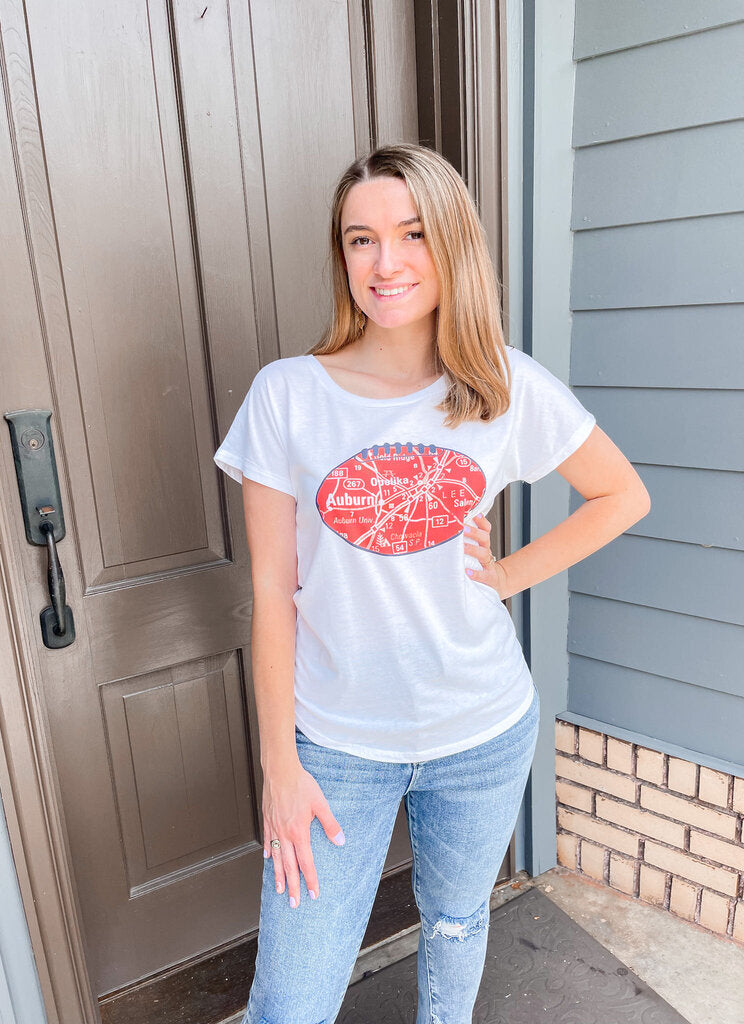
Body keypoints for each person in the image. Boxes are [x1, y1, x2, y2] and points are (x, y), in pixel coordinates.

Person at [213, 143, 650, 1024]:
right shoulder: (287, 395)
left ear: (451, 244)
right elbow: (270, 591)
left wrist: (505, 577)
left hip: (483, 729)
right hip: (335, 748)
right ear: (342, 258)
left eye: (412, 234)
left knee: (454, 923)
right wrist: (279, 764)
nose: (386, 262)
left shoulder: (501, 386)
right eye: (361, 239)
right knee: (289, 1002)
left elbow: (621, 495)